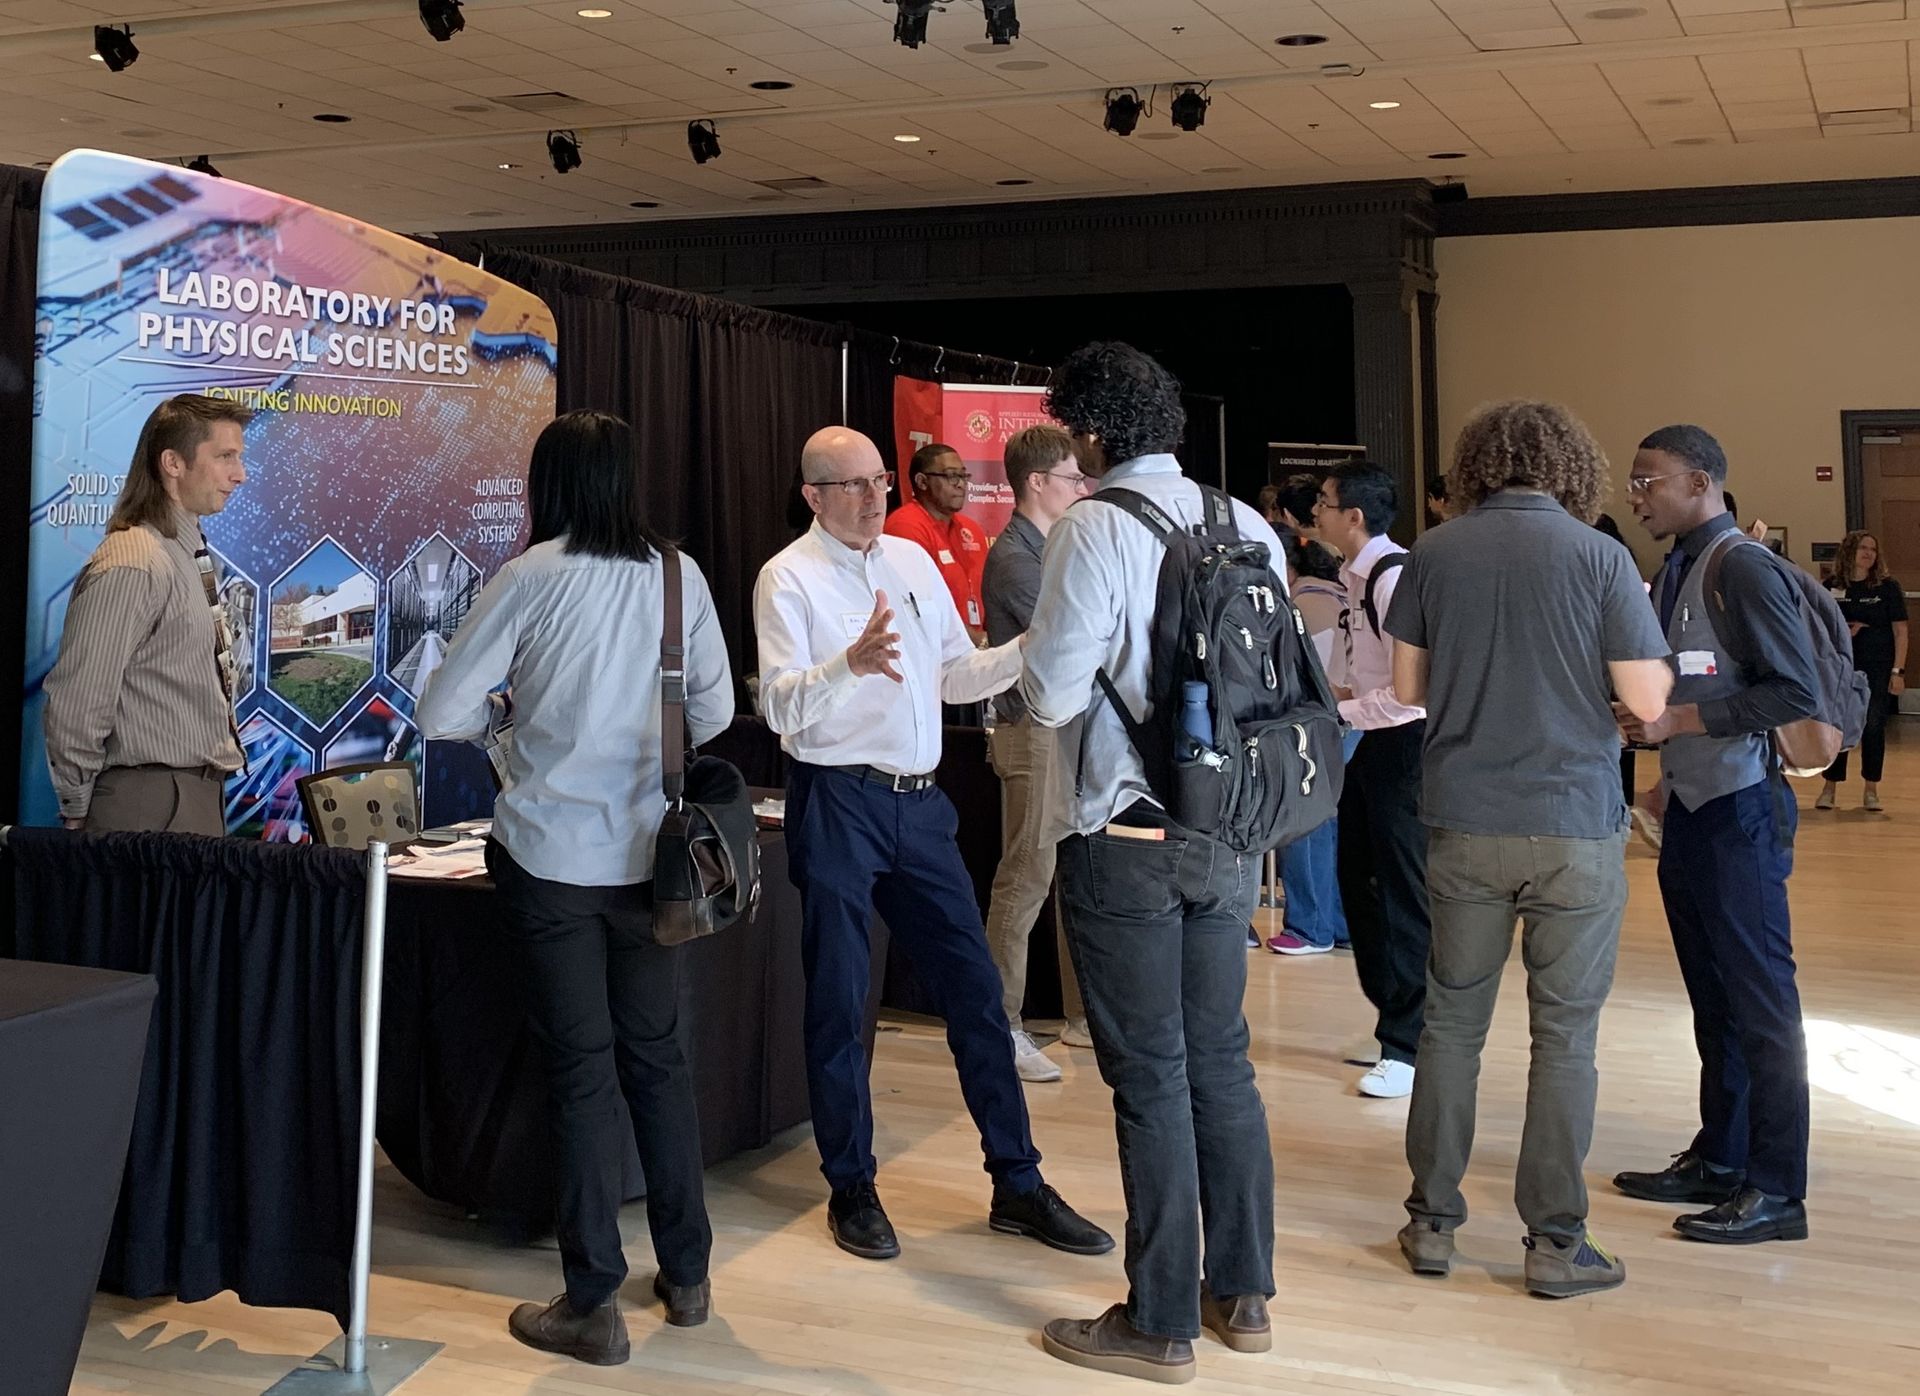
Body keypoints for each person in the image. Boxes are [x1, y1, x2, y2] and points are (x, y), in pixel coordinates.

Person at [753, 426, 1112, 1267]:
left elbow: (954, 674)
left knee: (978, 995)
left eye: (880, 479)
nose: (874, 496)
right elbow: (778, 710)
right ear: (813, 496)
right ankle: (853, 1186)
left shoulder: (912, 564)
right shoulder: (787, 578)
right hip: (838, 801)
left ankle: (1017, 1183)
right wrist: (850, 663)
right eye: (852, 485)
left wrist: (1034, 645)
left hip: (920, 807)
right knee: (841, 1003)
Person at [418, 411, 731, 1364]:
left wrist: (512, 731)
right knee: (657, 1059)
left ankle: (592, 1296)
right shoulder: (679, 576)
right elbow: (713, 711)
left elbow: (441, 709)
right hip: (652, 864)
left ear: (545, 485)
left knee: (581, 1074)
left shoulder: (529, 577)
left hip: (551, 858)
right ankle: (686, 1272)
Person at [1024, 342, 1280, 1384]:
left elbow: (1049, 693)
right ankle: (1242, 1294)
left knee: (1150, 1077)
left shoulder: (1092, 526)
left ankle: (1160, 1319)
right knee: (1223, 1061)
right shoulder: (1245, 521)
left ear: (1089, 432)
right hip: (1226, 829)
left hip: (1126, 832)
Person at [1385, 401, 1673, 1299]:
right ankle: (1555, 1242)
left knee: (1450, 1023)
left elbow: (1407, 687)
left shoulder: (1433, 552)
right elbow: (1649, 700)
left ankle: (1432, 1224)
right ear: (1570, 468)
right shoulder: (1601, 556)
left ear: (1477, 466)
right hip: (1573, 824)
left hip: (1464, 818)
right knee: (1565, 1041)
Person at [1613, 424, 1821, 1246]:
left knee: (1764, 1006)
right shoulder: (1677, 569)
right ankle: (1721, 1155)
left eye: (1648, 481)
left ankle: (1778, 1189)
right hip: (1696, 811)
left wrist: (1682, 721)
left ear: (1699, 481)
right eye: (1634, 482)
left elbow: (1793, 689)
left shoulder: (1743, 566)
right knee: (1714, 999)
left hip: (1742, 813)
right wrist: (1670, 773)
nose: (1637, 496)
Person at [43, 393, 250, 836]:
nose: (240, 474)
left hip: (192, 799)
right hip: (148, 807)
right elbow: (78, 700)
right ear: (173, 463)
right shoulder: (135, 560)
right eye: (225, 457)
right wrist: (77, 806)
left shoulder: (185, 550)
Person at [1314, 463, 1430, 1098]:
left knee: (1403, 892)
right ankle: (1392, 1019)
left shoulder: (1392, 577)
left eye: (1326, 503)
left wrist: (1337, 712)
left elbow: (1414, 696)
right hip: (1374, 744)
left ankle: (1411, 1044)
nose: (1317, 512)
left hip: (1406, 747)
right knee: (1357, 878)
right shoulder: (1350, 578)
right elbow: (1351, 676)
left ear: (1354, 516)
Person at [981, 424, 1092, 1083]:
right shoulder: (1015, 558)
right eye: (1074, 477)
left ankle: (1082, 1018)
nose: (1082, 487)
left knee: (1070, 873)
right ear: (1038, 483)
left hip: (1068, 727)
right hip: (1031, 731)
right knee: (1024, 878)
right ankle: (1003, 1025)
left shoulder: (1055, 546)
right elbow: (1063, 641)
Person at [1267, 473, 1351, 956]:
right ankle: (1335, 923)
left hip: (1320, 721)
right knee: (1332, 823)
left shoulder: (1298, 603)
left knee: (1303, 818)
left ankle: (1309, 925)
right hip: (1352, 719)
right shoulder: (1337, 592)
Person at [1816, 530, 1906, 811]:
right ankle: (1829, 787)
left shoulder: (1887, 587)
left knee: (1873, 723)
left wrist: (1898, 671)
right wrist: (1845, 629)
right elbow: (1818, 625)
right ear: (1849, 552)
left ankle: (1871, 789)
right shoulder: (1831, 585)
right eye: (1863, 548)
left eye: (1873, 549)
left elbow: (1901, 632)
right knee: (1838, 724)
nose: (1869, 553)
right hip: (1840, 666)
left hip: (1878, 665)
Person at [885, 441, 991, 643]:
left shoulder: (972, 529)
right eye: (951, 476)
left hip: (976, 650)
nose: (960, 483)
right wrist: (977, 641)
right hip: (936, 650)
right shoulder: (906, 526)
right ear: (922, 481)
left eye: (963, 475)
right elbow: (917, 608)